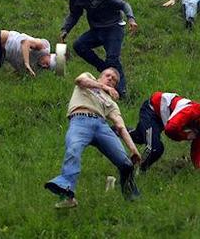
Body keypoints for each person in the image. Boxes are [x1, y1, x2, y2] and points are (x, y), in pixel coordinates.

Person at [45, 68, 141, 208]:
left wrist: (133, 149)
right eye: (108, 75)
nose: (110, 79)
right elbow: (79, 80)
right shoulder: (88, 78)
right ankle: (67, 193)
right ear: (100, 77)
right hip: (80, 120)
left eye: (114, 79)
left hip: (102, 126)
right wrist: (103, 87)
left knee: (126, 163)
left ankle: (132, 199)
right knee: (73, 150)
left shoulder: (111, 102)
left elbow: (120, 126)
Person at [59, 0, 138, 97]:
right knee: (79, 45)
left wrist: (131, 18)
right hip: (97, 29)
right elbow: (74, 14)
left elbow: (123, 4)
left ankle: (122, 93)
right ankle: (103, 68)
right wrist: (65, 29)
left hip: (113, 27)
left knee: (113, 59)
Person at [127, 92, 200, 172]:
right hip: (151, 110)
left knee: (139, 138)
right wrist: (186, 136)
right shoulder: (190, 111)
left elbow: (199, 148)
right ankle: (137, 171)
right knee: (155, 148)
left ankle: (116, 130)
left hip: (161, 117)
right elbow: (170, 129)